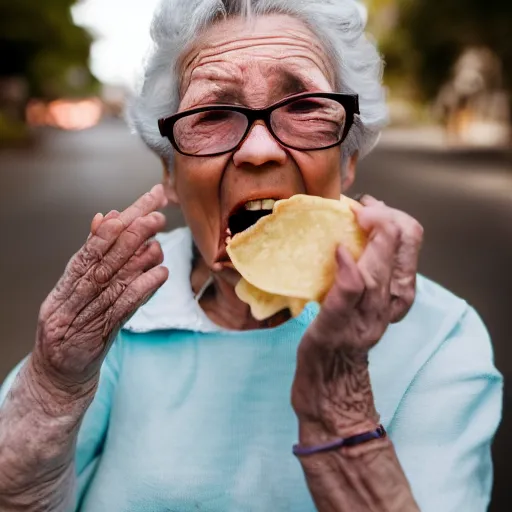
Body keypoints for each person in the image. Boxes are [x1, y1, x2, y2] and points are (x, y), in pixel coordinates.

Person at [0, 1, 502, 511]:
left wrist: (341, 412)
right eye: (212, 113)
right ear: (170, 173)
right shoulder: (120, 311)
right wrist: (51, 387)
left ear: (347, 159)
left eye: (305, 107)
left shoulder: (439, 337)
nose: (258, 150)